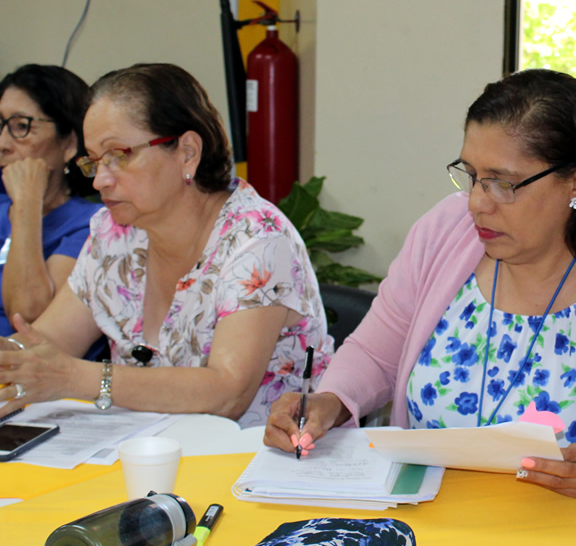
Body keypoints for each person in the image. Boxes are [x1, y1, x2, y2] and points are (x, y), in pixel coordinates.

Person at [264, 69, 576, 501]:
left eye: (503, 184)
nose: (476, 202)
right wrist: (328, 402)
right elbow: (377, 353)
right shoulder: (443, 232)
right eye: (472, 175)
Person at [0, 63, 331, 427]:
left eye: (118, 156)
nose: (101, 181)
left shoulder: (257, 239)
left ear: (187, 152)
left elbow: (227, 391)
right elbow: (47, 341)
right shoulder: (115, 233)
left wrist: (78, 378)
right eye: (94, 162)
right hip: (141, 457)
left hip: (255, 465)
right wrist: (12, 358)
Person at [0, 65, 101, 338]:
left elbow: (28, 317)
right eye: (0, 126)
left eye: (21, 126)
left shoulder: (93, 225)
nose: (3, 144)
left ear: (70, 142)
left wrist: (27, 204)